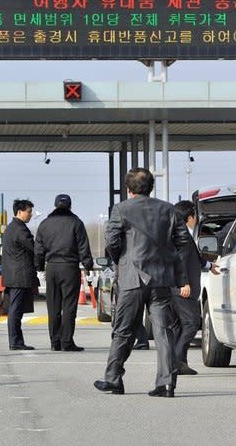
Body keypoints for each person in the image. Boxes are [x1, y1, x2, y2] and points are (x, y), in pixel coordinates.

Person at [94, 168, 191, 397]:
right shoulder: (168, 209)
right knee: (164, 332)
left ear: (128, 189)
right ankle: (166, 383)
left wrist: (122, 259)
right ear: (151, 187)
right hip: (161, 279)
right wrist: (167, 256)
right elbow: (183, 240)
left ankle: (113, 378)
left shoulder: (121, 209)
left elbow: (112, 241)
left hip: (132, 278)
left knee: (124, 330)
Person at [35, 194, 94, 352]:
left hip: (52, 267)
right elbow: (83, 247)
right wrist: (88, 266)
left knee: (53, 306)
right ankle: (67, 342)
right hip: (70, 267)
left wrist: (40, 267)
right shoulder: (76, 223)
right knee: (69, 306)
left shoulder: (45, 224)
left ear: (55, 206)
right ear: (70, 207)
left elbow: (39, 250)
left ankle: (55, 342)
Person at [171, 200, 220, 375]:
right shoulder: (181, 235)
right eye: (195, 215)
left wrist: (209, 265)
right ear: (189, 217)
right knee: (192, 323)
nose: (197, 219)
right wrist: (183, 283)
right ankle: (175, 360)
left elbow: (193, 258)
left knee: (179, 326)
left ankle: (180, 363)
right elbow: (180, 262)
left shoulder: (182, 233)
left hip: (181, 288)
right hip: (183, 289)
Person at [1, 199, 38, 351]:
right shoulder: (20, 229)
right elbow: (33, 247)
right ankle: (15, 341)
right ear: (19, 212)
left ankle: (17, 341)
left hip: (12, 275)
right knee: (15, 310)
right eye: (29, 212)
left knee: (15, 309)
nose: (30, 215)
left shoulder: (10, 227)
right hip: (19, 276)